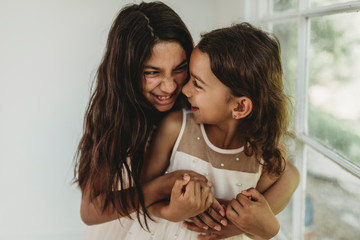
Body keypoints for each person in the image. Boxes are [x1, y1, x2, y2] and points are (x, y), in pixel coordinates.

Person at [73, 1, 299, 239]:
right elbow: (90, 211)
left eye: (180, 68)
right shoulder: (115, 118)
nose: (171, 87)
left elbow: (288, 173)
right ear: (127, 71)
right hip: (130, 219)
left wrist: (238, 224)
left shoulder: (203, 107)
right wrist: (163, 187)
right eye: (152, 72)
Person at [122, 22, 293, 240]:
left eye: (198, 84)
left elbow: (257, 224)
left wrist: (267, 229)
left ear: (240, 107)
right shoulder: (175, 127)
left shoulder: (267, 154)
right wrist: (173, 211)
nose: (184, 89)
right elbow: (145, 198)